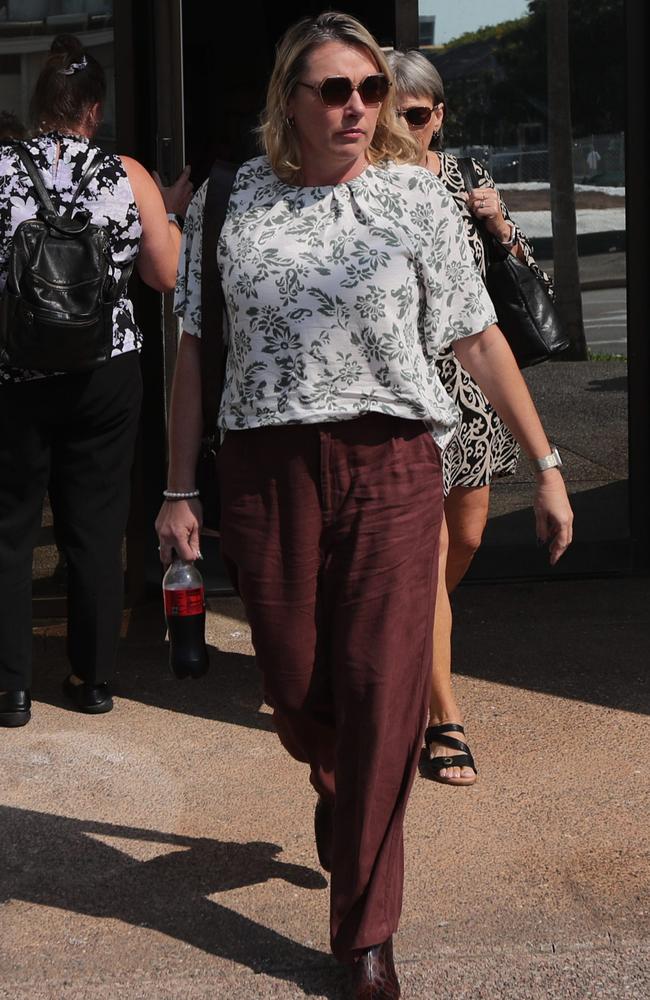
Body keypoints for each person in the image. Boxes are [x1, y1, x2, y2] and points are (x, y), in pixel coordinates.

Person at [156, 13, 572, 998]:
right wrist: (176, 489)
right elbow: (192, 355)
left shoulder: (412, 200)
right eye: (334, 90)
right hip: (264, 464)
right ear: (288, 101)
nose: (356, 108)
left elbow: (475, 337)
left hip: (392, 461)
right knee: (298, 682)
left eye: (371, 91)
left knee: (385, 691)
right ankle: (338, 785)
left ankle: (364, 934)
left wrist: (546, 461)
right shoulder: (228, 201)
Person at [0, 34, 192, 728]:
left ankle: (10, 690)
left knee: (9, 533)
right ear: (93, 108)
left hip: (13, 373)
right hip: (103, 373)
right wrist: (167, 210)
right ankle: (91, 680)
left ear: (39, 101)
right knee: (95, 530)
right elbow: (165, 277)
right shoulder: (128, 174)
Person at [387, 48, 557, 786]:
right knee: (422, 560)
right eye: (394, 112)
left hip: (475, 388)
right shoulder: (371, 185)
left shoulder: (466, 179)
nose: (405, 127)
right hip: (410, 390)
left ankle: (398, 636)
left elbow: (528, 282)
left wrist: (500, 229)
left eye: (417, 115)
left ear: (440, 116)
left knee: (469, 535)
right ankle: (443, 717)